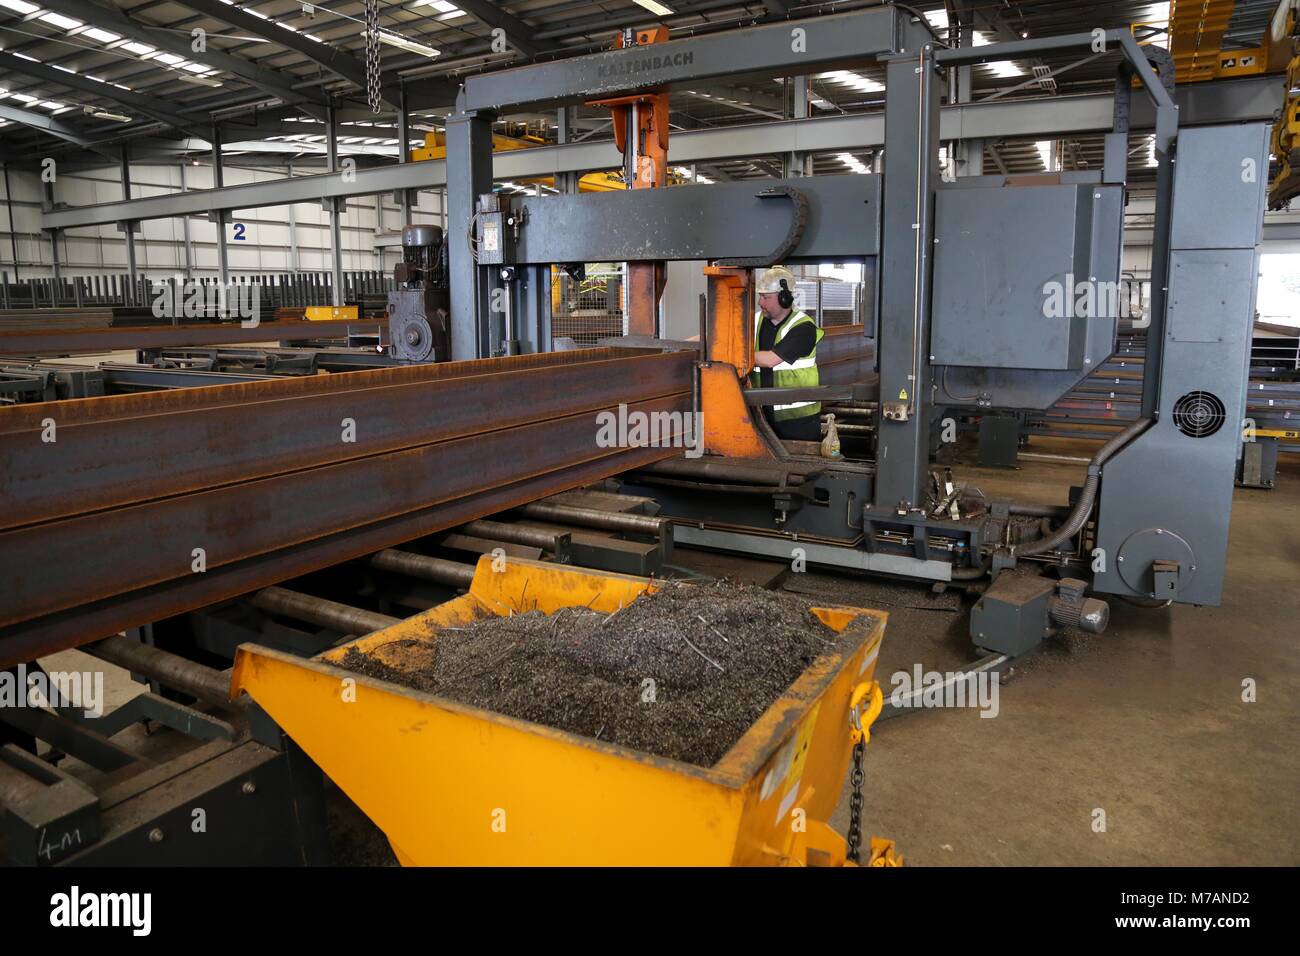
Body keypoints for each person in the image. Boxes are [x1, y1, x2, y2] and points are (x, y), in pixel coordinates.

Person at [749, 265, 824, 442]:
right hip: (760, 415)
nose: (761, 302)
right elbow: (719, 334)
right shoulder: (754, 320)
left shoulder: (803, 327)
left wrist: (729, 353)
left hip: (797, 421)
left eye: (766, 297)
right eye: (760, 296)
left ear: (784, 298)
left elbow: (770, 360)